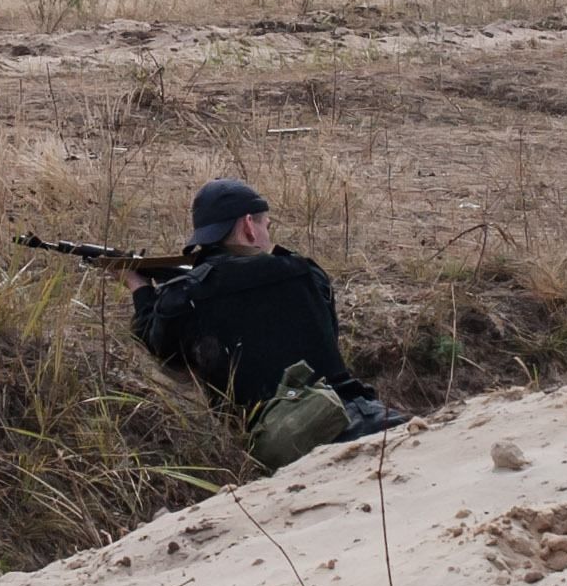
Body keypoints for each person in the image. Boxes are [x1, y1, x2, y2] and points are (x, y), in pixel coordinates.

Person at [125, 179, 409, 459]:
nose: (267, 236)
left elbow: (158, 345)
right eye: (266, 227)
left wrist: (138, 287)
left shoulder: (183, 295)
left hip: (286, 443)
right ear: (249, 225)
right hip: (364, 415)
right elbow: (328, 334)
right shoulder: (306, 272)